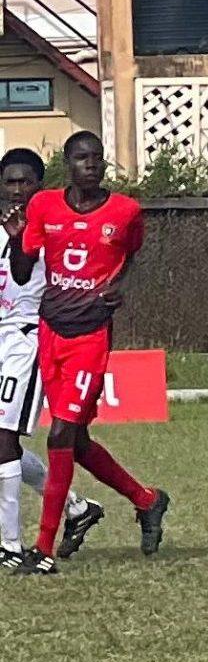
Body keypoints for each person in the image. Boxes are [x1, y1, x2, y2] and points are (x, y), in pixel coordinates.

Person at [5, 131, 167, 573]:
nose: (90, 165)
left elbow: (130, 252)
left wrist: (118, 285)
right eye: (81, 158)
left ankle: (41, 549)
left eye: (97, 158)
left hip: (90, 336)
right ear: (67, 164)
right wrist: (18, 239)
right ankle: (147, 500)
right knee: (73, 442)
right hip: (51, 330)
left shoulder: (125, 211)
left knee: (58, 434)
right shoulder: (44, 207)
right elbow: (22, 274)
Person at [0, 148, 98, 569]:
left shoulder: (53, 227)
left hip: (27, 342)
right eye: (10, 181)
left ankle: (10, 545)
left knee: (4, 440)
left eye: (27, 181)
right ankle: (77, 508)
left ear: (42, 184)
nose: (18, 189)